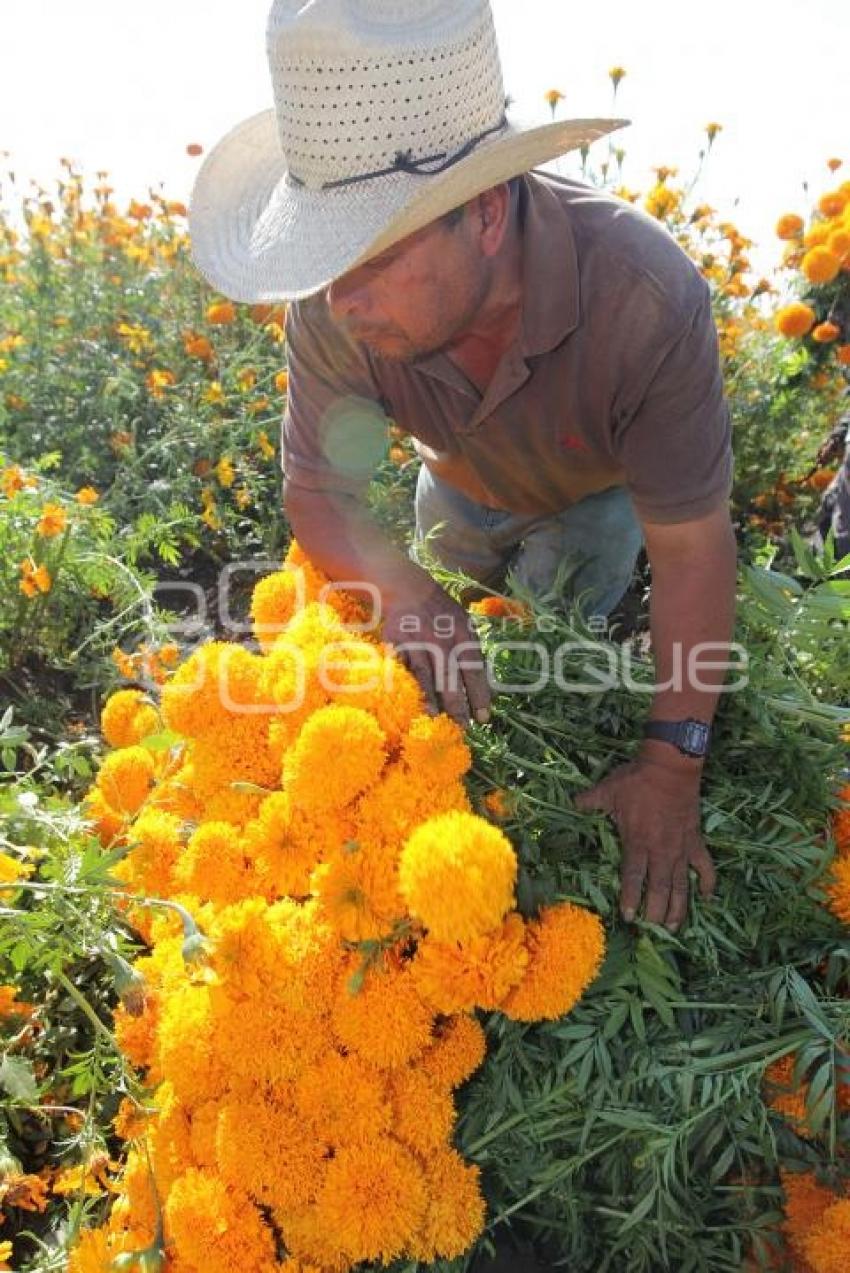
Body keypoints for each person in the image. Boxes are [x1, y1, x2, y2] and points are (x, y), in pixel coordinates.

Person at [188, 0, 737, 941]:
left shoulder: (645, 301)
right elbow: (318, 493)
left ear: (484, 212)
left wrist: (671, 767)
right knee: (441, 669)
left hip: (591, 504)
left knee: (547, 672)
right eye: (326, 263)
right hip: (451, 485)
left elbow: (691, 550)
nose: (340, 298)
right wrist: (407, 589)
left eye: (371, 254)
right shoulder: (335, 313)